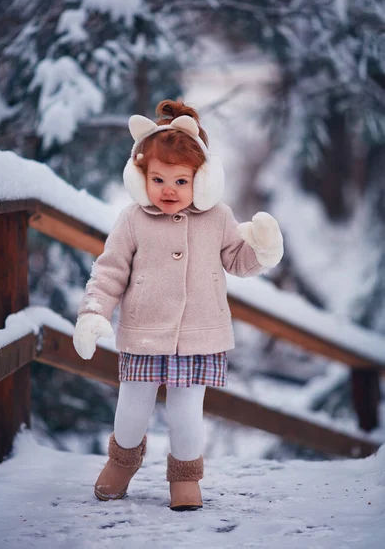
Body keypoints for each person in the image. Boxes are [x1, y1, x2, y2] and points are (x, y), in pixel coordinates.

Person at [73, 99, 284, 511]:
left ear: (200, 181)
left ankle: (185, 478)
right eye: (158, 179)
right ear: (141, 177)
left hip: (199, 335)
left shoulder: (217, 216)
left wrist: (262, 249)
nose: (169, 190)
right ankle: (121, 465)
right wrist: (94, 312)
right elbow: (109, 271)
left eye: (181, 181)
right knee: (132, 408)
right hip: (143, 332)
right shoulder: (132, 219)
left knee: (186, 415)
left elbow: (236, 261)